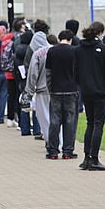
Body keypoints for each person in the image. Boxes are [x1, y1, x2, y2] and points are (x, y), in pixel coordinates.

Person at [74, 21, 105, 171]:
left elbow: (75, 72)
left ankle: (86, 157)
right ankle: (94, 158)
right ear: (100, 33)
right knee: (98, 124)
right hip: (100, 91)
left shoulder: (78, 50)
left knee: (90, 123)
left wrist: (82, 85)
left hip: (86, 91)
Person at [45, 30, 78, 160]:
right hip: (71, 89)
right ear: (70, 39)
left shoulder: (52, 51)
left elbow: (48, 72)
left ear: (59, 38)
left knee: (54, 121)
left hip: (55, 90)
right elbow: (77, 71)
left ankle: (53, 151)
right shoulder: (75, 51)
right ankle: (67, 151)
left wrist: (50, 88)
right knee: (70, 121)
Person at [27, 33, 57, 154]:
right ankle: (59, 142)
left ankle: (50, 142)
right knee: (57, 117)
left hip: (42, 90)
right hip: (57, 89)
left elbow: (32, 74)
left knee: (44, 118)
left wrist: (29, 91)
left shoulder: (38, 54)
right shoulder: (55, 50)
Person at [15, 30, 40, 136]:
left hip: (22, 79)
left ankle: (24, 128)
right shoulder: (32, 50)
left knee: (25, 104)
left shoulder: (18, 49)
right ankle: (36, 129)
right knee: (35, 105)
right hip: (31, 79)